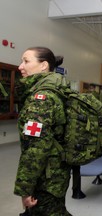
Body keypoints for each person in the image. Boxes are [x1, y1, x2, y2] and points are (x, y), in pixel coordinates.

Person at [14, 47, 72, 216]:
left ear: (43, 66)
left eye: (26, 61)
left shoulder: (41, 98)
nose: (20, 66)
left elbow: (36, 148)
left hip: (45, 177)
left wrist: (25, 188)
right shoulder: (55, 90)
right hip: (55, 172)